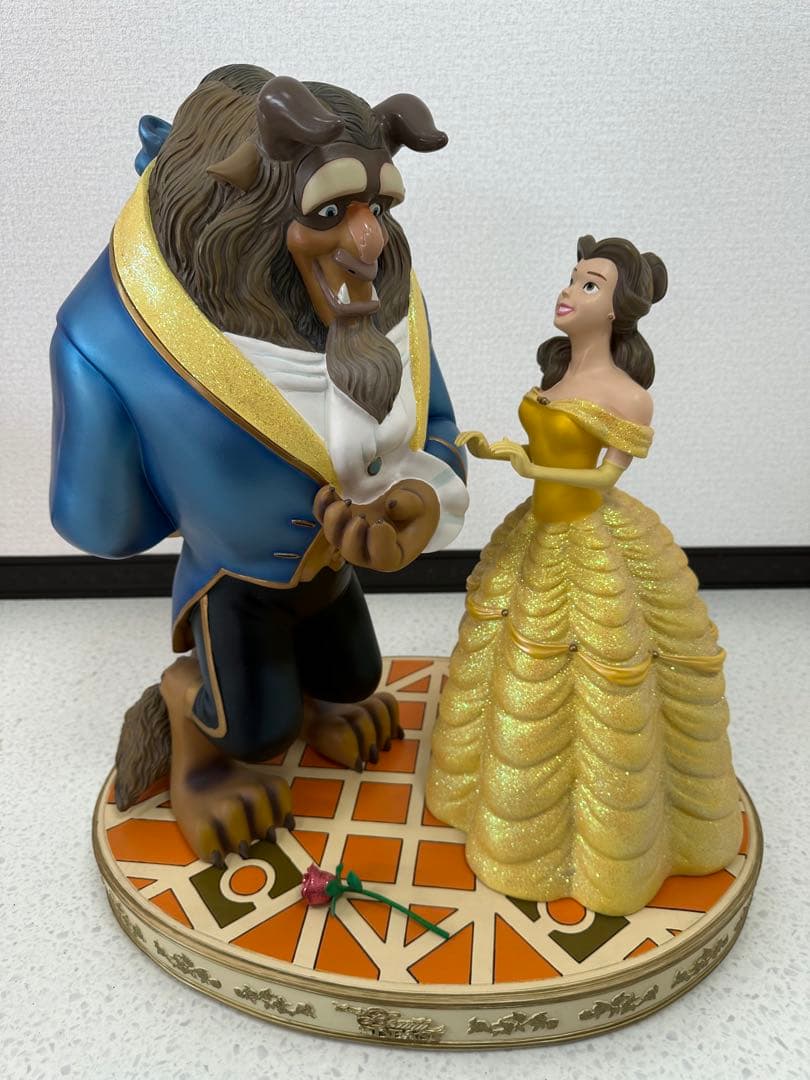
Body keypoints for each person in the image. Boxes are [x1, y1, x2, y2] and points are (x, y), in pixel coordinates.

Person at [425, 235, 741, 916]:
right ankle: (489, 801)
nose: (569, 291)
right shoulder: (557, 372)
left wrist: (528, 465)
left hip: (585, 532)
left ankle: (608, 846)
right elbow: (543, 443)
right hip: (537, 527)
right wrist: (499, 451)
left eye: (589, 283)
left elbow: (601, 479)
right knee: (506, 653)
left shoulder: (628, 397)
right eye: (572, 277)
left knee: (599, 666)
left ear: (618, 308)